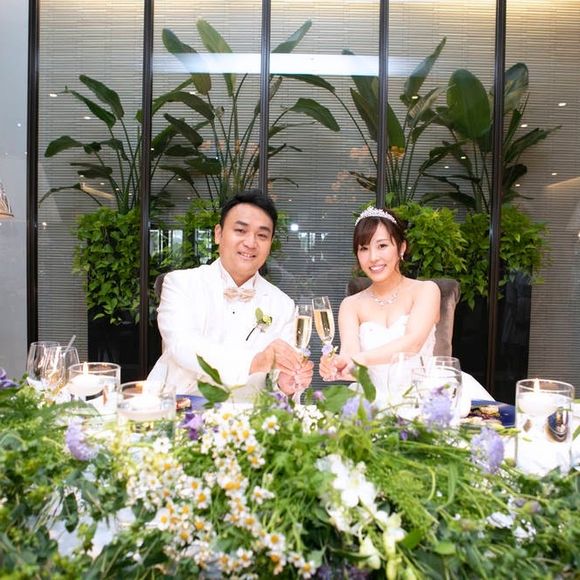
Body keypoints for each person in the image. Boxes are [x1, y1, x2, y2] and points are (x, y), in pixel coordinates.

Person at [149, 190, 313, 398]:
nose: (250, 243)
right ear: (218, 234)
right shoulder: (180, 284)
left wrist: (285, 384)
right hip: (179, 405)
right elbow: (183, 346)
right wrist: (256, 361)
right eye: (240, 230)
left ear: (270, 244)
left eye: (262, 235)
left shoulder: (284, 305)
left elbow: (279, 382)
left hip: (249, 413)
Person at [319, 206, 440, 405]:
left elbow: (413, 344)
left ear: (401, 248)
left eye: (382, 245)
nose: (373, 257)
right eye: (364, 248)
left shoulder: (426, 290)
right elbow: (351, 360)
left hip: (422, 400)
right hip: (371, 404)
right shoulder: (350, 305)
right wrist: (338, 365)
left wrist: (360, 359)